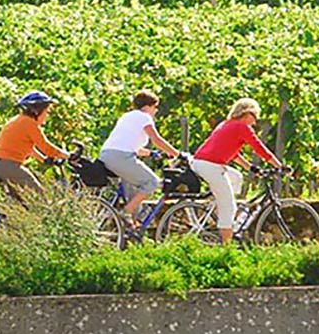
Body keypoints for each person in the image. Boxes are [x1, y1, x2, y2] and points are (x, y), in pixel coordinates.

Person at [191, 97, 286, 244]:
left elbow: (234, 154)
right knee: (229, 207)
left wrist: (251, 168)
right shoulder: (242, 127)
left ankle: (217, 209)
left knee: (236, 177)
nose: (255, 122)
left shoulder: (227, 124)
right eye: (255, 117)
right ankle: (227, 247)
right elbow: (259, 147)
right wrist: (278, 165)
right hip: (211, 166)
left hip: (201, 163)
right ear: (247, 114)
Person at [99, 89, 180, 228]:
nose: (156, 111)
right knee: (152, 182)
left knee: (135, 190)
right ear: (148, 106)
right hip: (121, 157)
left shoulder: (127, 116)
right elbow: (156, 139)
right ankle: (125, 212)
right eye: (155, 107)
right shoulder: (144, 117)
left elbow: (132, 147)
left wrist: (153, 154)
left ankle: (130, 228)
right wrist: (178, 154)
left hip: (108, 155)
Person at [0, 91, 72, 197]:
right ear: (37, 111)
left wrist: (43, 159)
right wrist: (69, 156)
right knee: (39, 196)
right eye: (46, 112)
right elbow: (47, 147)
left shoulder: (18, 120)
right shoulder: (30, 124)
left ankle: (5, 213)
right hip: (7, 165)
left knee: (20, 198)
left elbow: (28, 148)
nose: (47, 115)